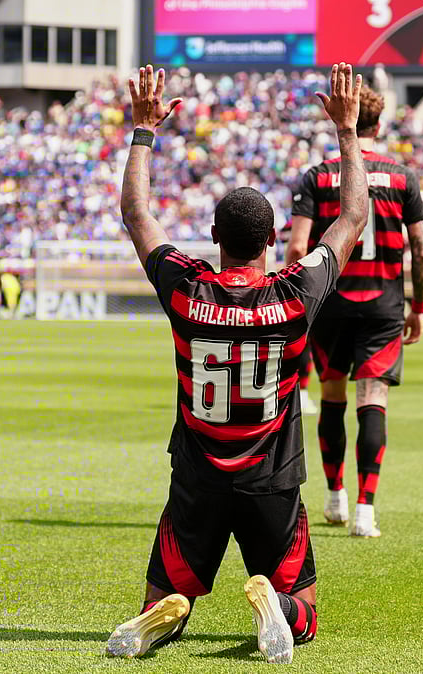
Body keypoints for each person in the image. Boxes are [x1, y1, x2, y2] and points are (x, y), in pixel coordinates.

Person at [105, 63, 372, 664]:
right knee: (303, 616)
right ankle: (273, 603)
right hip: (272, 478)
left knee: (164, 599)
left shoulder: (186, 291)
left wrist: (143, 131)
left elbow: (138, 216)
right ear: (273, 238)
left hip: (197, 475)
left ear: (212, 235)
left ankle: (162, 615)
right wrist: (348, 133)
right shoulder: (295, 296)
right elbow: (352, 218)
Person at [286, 75, 423, 537]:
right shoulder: (404, 177)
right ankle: (366, 509)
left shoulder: (318, 175)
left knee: (331, 395)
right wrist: (420, 306)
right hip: (384, 304)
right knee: (373, 399)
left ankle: (334, 497)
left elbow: (296, 248)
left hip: (330, 302)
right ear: (381, 123)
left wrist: (302, 299)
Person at [277, 220, 318, 415]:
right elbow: (295, 249)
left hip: (298, 284)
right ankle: (300, 391)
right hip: (310, 285)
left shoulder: (295, 223)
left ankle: (297, 390)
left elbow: (294, 248)